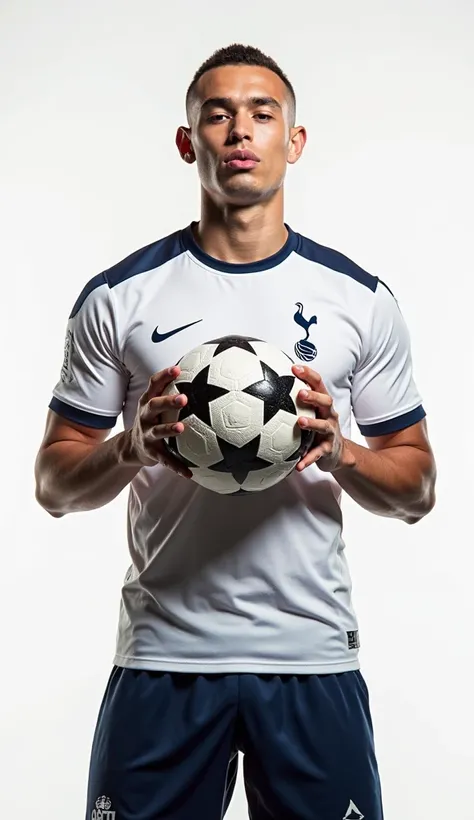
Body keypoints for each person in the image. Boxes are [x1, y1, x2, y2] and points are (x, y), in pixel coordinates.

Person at [35, 43, 436, 820]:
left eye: (262, 113)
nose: (239, 131)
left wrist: (341, 451)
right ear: (189, 142)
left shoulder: (359, 300)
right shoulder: (121, 297)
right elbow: (52, 485)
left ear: (296, 140)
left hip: (310, 656)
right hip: (165, 656)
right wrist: (131, 446)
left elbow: (418, 488)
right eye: (217, 115)